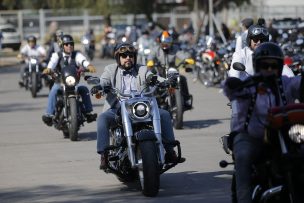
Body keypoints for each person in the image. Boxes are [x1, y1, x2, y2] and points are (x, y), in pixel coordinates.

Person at [223, 42, 302, 203]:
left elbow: (299, 83)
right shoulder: (249, 85)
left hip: (284, 134)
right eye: (265, 65)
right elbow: (230, 90)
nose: (270, 69)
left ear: (280, 67)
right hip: (251, 135)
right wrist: (233, 84)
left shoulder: (286, 83)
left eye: (274, 65)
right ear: (257, 66)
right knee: (243, 156)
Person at [96, 42, 185, 169]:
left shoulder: (141, 69)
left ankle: (170, 151)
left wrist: (164, 82)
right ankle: (104, 154)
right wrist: (100, 86)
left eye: (131, 55)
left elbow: (151, 76)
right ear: (118, 58)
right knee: (102, 119)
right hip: (118, 108)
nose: (128, 58)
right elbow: (104, 80)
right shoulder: (111, 69)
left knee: (164, 114)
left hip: (141, 107)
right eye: (124, 55)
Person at [41, 34, 97, 126]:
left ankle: (88, 113)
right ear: (62, 46)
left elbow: (82, 60)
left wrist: (88, 65)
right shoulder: (57, 55)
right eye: (66, 44)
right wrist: (49, 68)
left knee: (84, 89)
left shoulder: (76, 54)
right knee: (54, 90)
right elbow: (52, 63)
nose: (69, 46)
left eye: (71, 44)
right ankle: (49, 114)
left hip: (73, 83)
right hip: (60, 82)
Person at [229, 24, 294, 80]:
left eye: (262, 40)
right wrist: (235, 84)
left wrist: (293, 80)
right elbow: (233, 75)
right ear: (249, 40)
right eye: (256, 39)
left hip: (270, 89)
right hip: (247, 91)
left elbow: (285, 70)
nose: (259, 42)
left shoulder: (270, 54)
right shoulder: (241, 54)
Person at [148, 30, 193, 110]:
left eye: (168, 42)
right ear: (160, 42)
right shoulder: (156, 49)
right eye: (164, 42)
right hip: (160, 72)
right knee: (152, 82)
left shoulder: (175, 48)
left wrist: (187, 59)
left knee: (182, 79)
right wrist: (150, 61)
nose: (166, 44)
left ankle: (186, 100)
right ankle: (151, 102)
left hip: (172, 72)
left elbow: (181, 54)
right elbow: (151, 56)